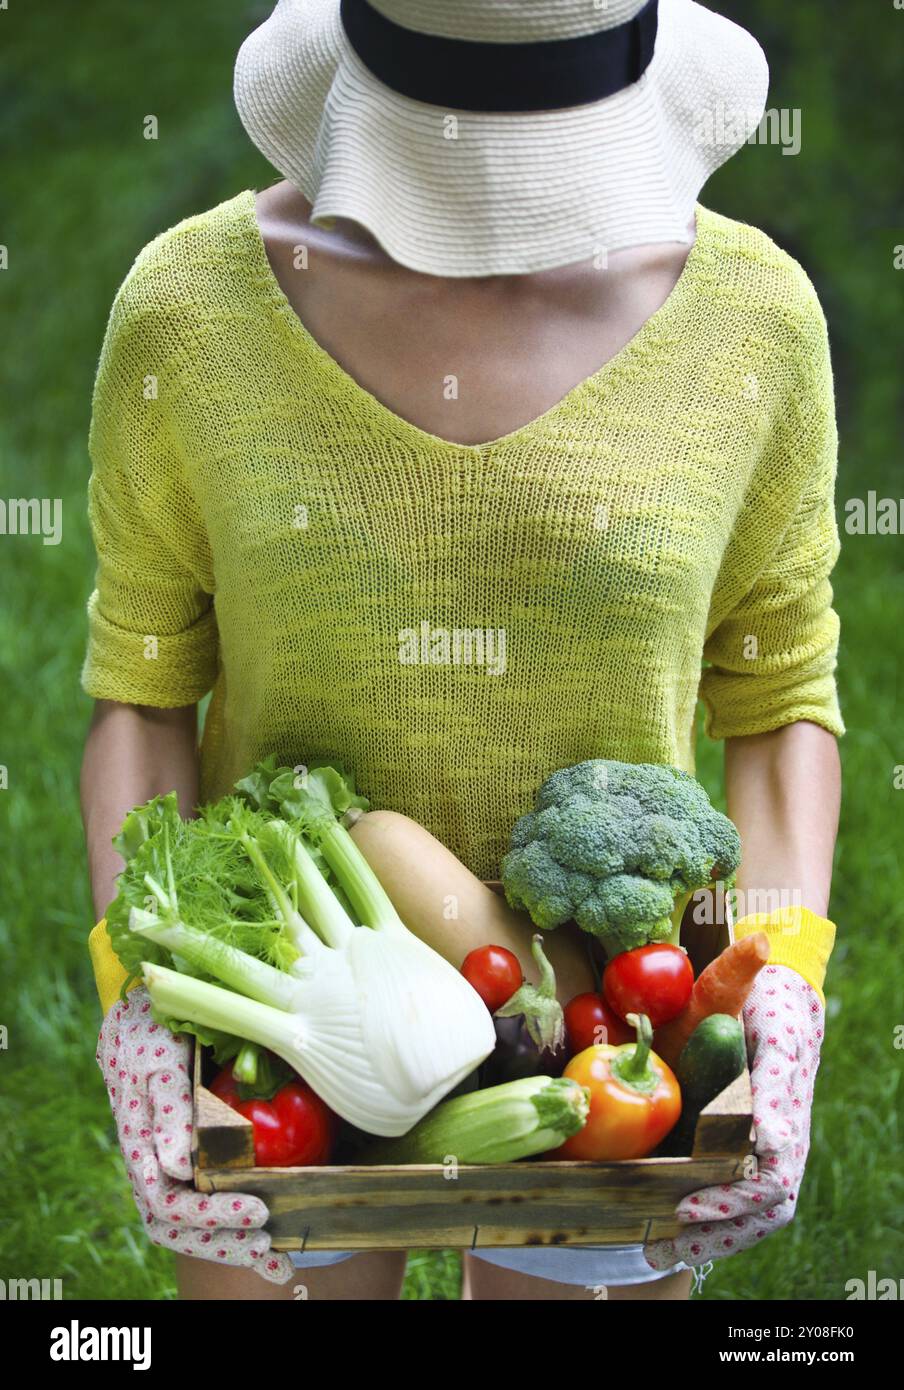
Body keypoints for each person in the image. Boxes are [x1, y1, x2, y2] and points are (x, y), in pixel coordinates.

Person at [82, 0, 843, 1301]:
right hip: (288, 1019)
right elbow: (143, 685)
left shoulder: (755, 327)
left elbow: (778, 692)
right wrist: (140, 985)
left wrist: (782, 978)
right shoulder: (188, 316)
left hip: (622, 1044)